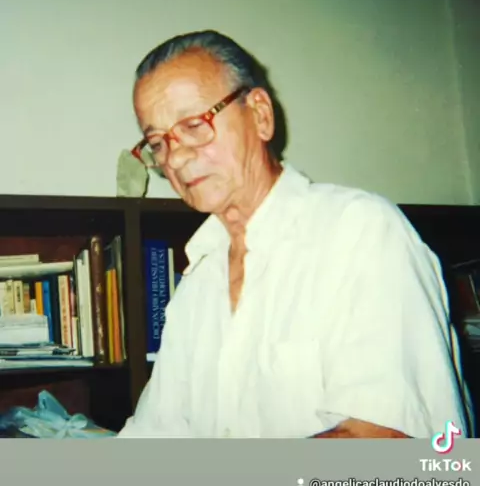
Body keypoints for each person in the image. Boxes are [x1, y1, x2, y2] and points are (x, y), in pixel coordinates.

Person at [117, 30, 473, 439]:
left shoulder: (359, 233)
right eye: (158, 142)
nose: (176, 158)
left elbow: (386, 440)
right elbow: (154, 436)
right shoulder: (196, 287)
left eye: (195, 125)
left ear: (260, 115)